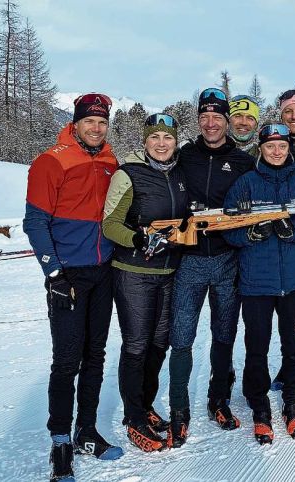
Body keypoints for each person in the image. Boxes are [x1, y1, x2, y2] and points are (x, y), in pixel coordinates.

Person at [24, 93, 123, 482]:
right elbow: (35, 222)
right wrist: (53, 274)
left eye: (102, 123)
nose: (97, 128)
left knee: (95, 355)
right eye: (90, 122)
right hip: (69, 275)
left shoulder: (111, 162)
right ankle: (60, 441)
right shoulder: (52, 160)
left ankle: (86, 431)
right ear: (77, 122)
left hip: (104, 271)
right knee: (67, 361)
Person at [223, 123, 295, 444]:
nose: (277, 152)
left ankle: (293, 402)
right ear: (261, 148)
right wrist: (249, 234)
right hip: (256, 282)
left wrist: (294, 232)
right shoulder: (246, 184)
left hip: (293, 281)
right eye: (270, 146)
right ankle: (259, 406)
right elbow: (226, 224)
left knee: (294, 345)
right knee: (257, 346)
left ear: (288, 148)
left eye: (281, 146)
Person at [168, 88, 255, 446]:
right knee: (181, 337)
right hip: (188, 261)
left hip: (226, 260)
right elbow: (150, 164)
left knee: (224, 334)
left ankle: (219, 400)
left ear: (227, 121)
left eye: (217, 116)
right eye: (204, 116)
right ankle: (178, 410)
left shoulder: (242, 161)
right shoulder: (183, 155)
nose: (210, 123)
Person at [102, 113, 188, 452]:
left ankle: (146, 405)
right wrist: (138, 240)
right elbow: (110, 225)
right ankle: (133, 417)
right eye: (155, 137)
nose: (162, 143)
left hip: (169, 273)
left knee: (158, 345)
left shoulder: (180, 174)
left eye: (168, 137)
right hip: (133, 273)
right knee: (136, 346)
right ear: (145, 140)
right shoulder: (129, 173)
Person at [229, 94, 261, 158]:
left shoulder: (264, 157)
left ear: (256, 125)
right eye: (238, 116)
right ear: (228, 121)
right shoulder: (213, 152)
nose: (244, 122)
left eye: (250, 118)